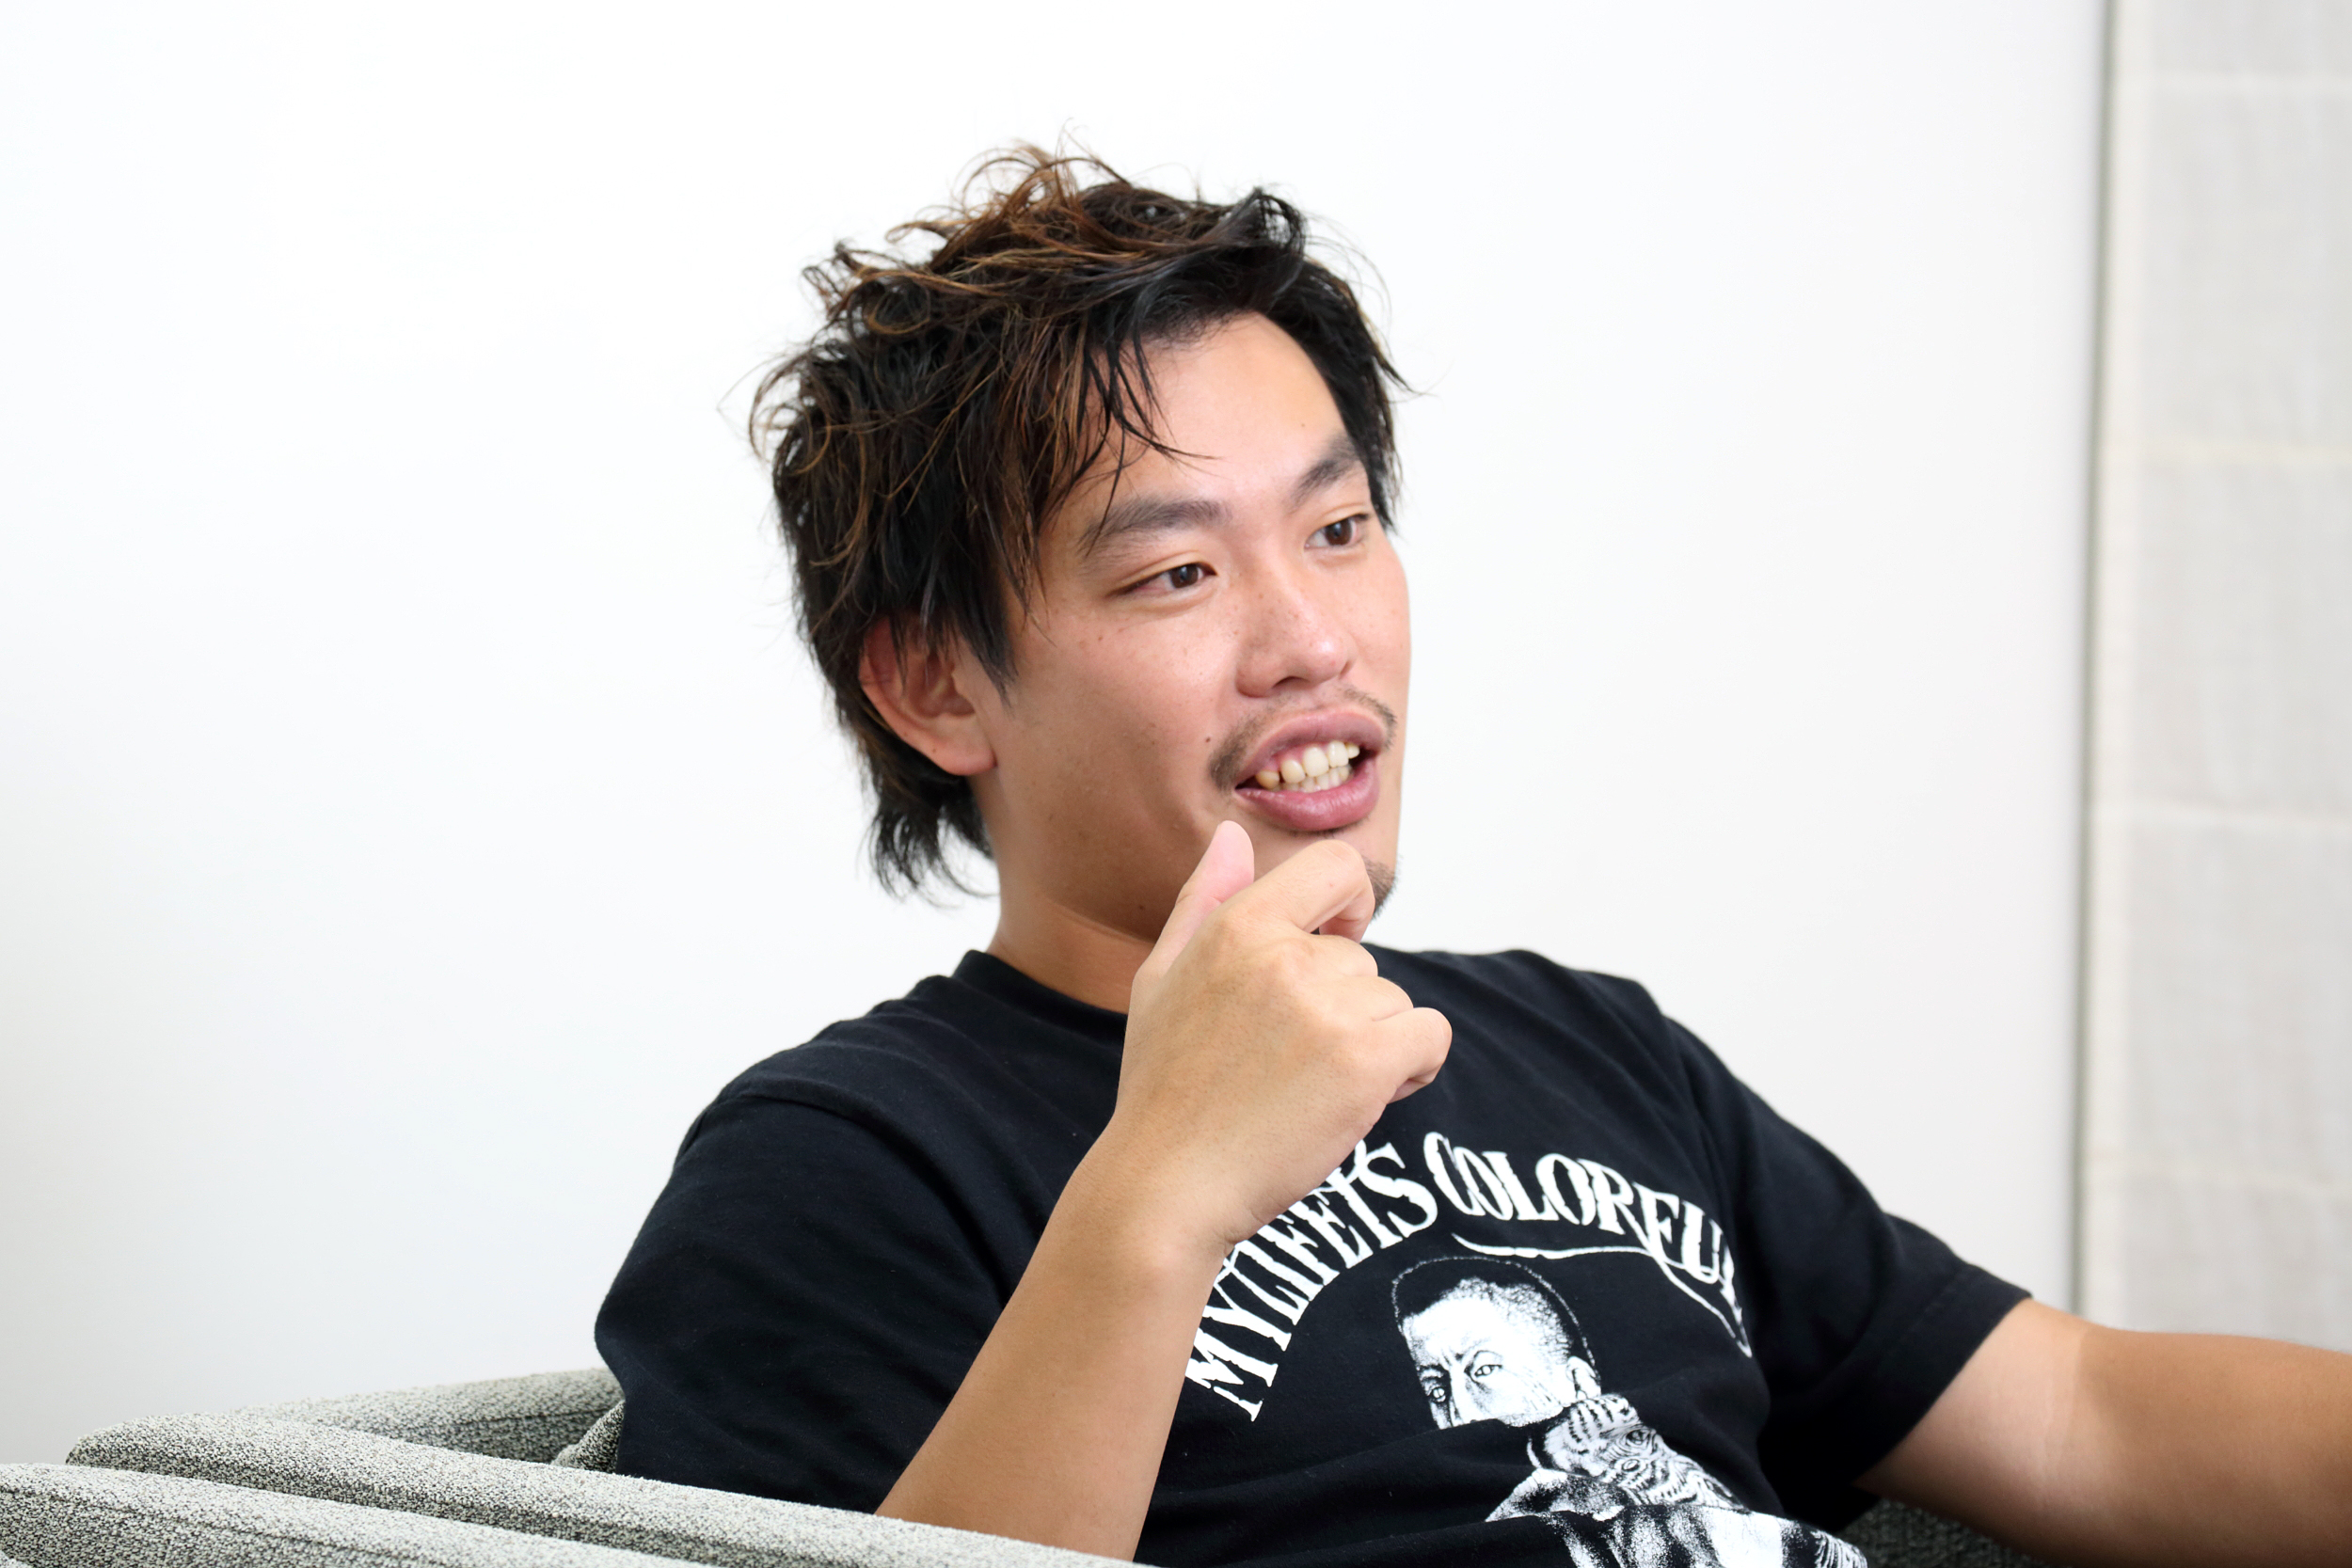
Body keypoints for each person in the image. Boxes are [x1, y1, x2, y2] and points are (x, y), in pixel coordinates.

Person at [596, 149, 2352, 1568]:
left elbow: (2084, 1421)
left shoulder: (1594, 1052)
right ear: (934, 684)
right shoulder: (840, 1166)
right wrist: (1163, 1188)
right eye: (1177, 573)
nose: (1313, 640)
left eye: (1340, 526)